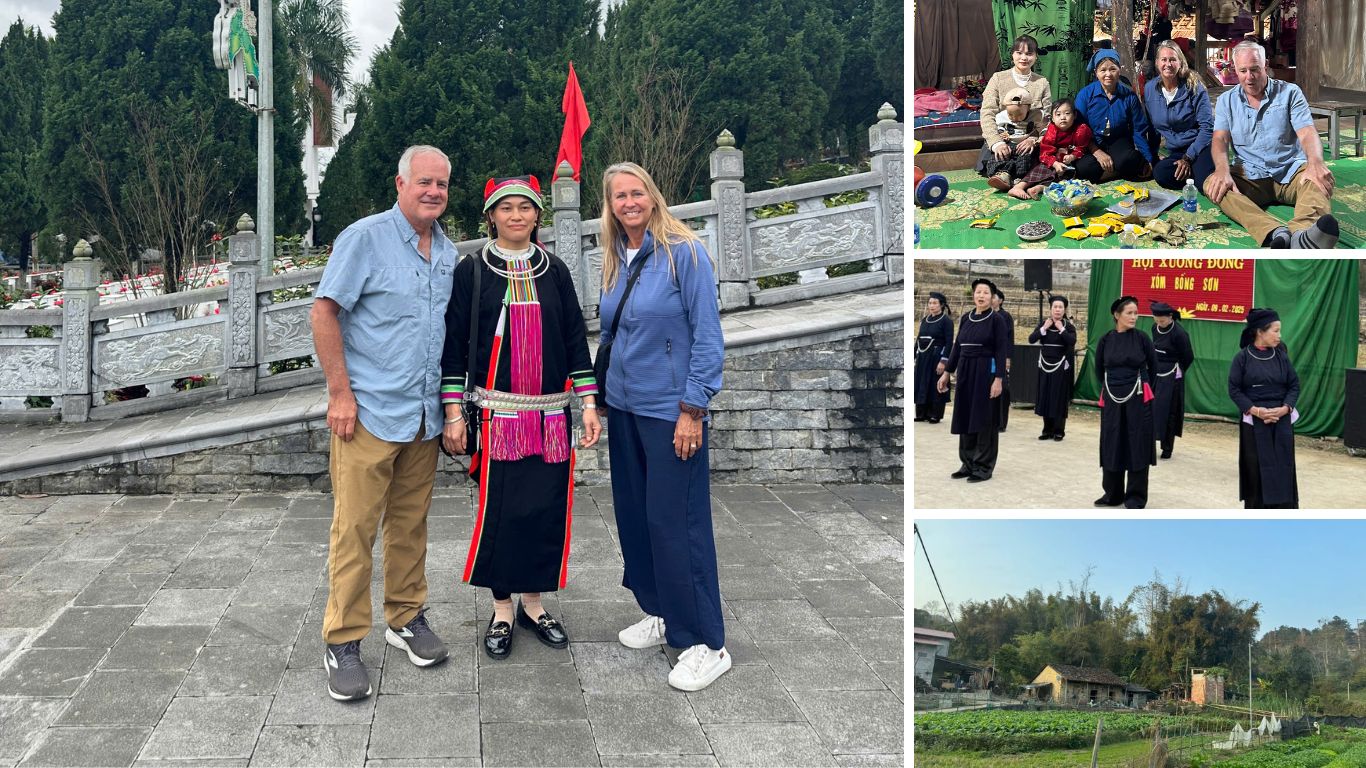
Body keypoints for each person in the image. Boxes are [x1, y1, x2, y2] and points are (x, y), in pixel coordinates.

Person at [311, 145, 455, 701]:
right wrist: (339, 393)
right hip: (368, 413)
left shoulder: (445, 254)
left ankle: (406, 617)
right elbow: (324, 311)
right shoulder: (364, 238)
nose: (433, 192)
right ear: (400, 183)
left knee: (410, 525)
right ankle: (343, 639)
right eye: (424, 182)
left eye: (441, 184)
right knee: (354, 530)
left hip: (422, 419)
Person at [440, 175, 602, 660]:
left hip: (551, 416)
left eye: (525, 208)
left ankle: (535, 603)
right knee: (502, 511)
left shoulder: (555, 270)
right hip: (496, 417)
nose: (516, 216)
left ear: (537, 216)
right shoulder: (472, 273)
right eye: (505, 208)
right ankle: (503, 607)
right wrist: (453, 412)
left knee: (546, 509)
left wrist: (589, 403)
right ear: (490, 216)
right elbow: (454, 347)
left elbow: (574, 338)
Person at [597, 162, 729, 692]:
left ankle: (704, 641)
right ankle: (659, 611)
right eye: (619, 196)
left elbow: (707, 334)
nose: (629, 202)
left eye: (637, 193)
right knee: (637, 519)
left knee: (679, 525)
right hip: (624, 409)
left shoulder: (684, 253)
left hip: (671, 412)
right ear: (609, 205)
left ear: (652, 196)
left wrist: (693, 409)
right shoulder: (613, 256)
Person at [1204, 40, 1339, 249]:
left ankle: (1302, 236)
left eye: (1255, 69)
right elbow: (1220, 139)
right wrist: (1222, 170)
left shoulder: (1290, 92)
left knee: (1317, 178)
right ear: (1235, 70)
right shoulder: (1226, 101)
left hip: (1291, 171)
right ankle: (1274, 232)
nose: (1249, 77)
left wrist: (1315, 161)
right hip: (1250, 176)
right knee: (1213, 184)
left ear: (1265, 65)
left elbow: (1307, 132)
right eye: (1243, 71)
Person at [937, 278, 1009, 483]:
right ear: (973, 294)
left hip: (985, 370)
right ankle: (967, 463)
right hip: (966, 370)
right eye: (978, 292)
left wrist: (998, 379)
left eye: (986, 292)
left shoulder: (997, 320)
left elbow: (1001, 351)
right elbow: (958, 346)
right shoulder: (967, 318)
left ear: (992, 297)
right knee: (966, 414)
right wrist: (947, 372)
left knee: (984, 418)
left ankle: (983, 466)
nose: (981, 296)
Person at [1228, 308, 1300, 508]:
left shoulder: (1282, 356)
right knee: (1257, 466)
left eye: (1279, 331)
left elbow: (1294, 385)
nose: (1279, 336)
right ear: (1260, 331)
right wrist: (1256, 410)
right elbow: (1234, 389)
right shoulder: (1242, 358)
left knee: (1283, 464)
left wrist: (1285, 408)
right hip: (1255, 421)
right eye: (1275, 331)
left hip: (1281, 419)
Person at [1094, 296, 1158, 508]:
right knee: (1112, 441)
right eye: (1129, 313)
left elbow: (1153, 368)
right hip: (1113, 396)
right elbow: (1098, 370)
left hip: (1138, 396)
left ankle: (1136, 496)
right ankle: (1112, 494)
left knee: (1137, 442)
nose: (1134, 317)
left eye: (1136, 313)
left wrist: (1143, 386)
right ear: (1117, 315)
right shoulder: (1105, 340)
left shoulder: (1142, 339)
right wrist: (1111, 386)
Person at [976, 35, 1052, 191]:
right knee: (997, 157)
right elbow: (987, 112)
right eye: (1019, 52)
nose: (1024, 57)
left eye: (1029, 53)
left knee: (1035, 159)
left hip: (1028, 140)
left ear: (1036, 56)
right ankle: (1007, 176)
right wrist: (996, 142)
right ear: (1012, 55)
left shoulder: (1042, 82)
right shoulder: (998, 79)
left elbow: (1047, 117)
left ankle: (1015, 178)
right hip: (1004, 136)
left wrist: (1033, 139)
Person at [1143, 40, 1216, 192]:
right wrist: (1153, 158)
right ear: (1157, 63)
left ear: (1180, 62)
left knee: (1205, 184)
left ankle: (1203, 171)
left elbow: (1207, 128)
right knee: (1160, 173)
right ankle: (1198, 173)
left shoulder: (1194, 86)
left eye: (1172, 60)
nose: (1168, 64)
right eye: (1164, 60)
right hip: (1177, 150)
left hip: (1201, 145)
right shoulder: (1150, 89)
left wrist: (1188, 158)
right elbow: (1153, 128)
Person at [1074, 49, 1155, 183]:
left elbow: (1138, 129)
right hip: (1093, 142)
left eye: (1113, 69)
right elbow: (1079, 128)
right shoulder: (1085, 95)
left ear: (1119, 70)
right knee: (1084, 169)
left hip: (1119, 140)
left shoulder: (1129, 96)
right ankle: (1114, 169)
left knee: (1130, 161)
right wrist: (1097, 152)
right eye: (1103, 70)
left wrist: (1148, 159)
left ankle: (1112, 168)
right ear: (1096, 73)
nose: (1108, 74)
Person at [1016, 99, 1094, 199]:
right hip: (1049, 161)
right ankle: (1019, 186)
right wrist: (1055, 163)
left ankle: (1038, 188)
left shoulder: (1080, 130)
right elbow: (1044, 153)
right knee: (1042, 171)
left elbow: (1081, 148)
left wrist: (1072, 156)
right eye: (1058, 114)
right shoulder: (1052, 132)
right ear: (1052, 118)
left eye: (1067, 113)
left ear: (1074, 115)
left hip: (1067, 164)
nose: (1063, 117)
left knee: (1066, 179)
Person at [1148, 301, 1194, 460]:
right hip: (1156, 371)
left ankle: (1167, 447)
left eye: (1163, 320)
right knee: (1152, 408)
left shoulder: (1179, 334)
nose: (1159, 323)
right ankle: (1149, 443)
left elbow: (1188, 357)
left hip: (1173, 374)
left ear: (1170, 317)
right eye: (1156, 319)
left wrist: (1177, 370)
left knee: (1169, 411)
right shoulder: (1154, 328)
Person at [1028, 296, 1077, 441]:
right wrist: (1044, 328)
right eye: (1055, 307)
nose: (1057, 310)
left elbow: (1072, 341)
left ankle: (1058, 430)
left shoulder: (1068, 326)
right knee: (1046, 395)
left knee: (1058, 397)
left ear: (1064, 310)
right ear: (1050, 309)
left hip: (1060, 365)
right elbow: (1031, 339)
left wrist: (1061, 329)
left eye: (1060, 307)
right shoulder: (1044, 324)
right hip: (1045, 364)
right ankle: (1047, 430)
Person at [982, 89, 1043, 193]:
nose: (1015, 118)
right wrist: (1001, 137)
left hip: (1025, 146)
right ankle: (1003, 175)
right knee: (999, 156)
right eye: (1010, 115)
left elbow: (1045, 131)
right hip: (1008, 144)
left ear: (1028, 108)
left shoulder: (1037, 115)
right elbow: (997, 128)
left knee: (1026, 158)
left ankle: (1019, 179)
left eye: (1019, 115)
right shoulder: (1001, 116)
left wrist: (1034, 140)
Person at [914, 292, 953, 424]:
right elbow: (919, 338)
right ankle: (921, 413)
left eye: (935, 303)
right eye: (930, 303)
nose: (932, 305)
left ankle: (935, 414)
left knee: (935, 384)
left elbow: (949, 343)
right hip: (923, 356)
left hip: (937, 356)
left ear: (942, 305)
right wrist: (913, 354)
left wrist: (944, 361)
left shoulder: (946, 321)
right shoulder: (925, 320)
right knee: (921, 383)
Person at [991, 287, 1014, 433]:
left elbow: (1009, 339)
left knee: (1002, 389)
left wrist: (1007, 357)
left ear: (1000, 301)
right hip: (987, 357)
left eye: (994, 297)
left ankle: (1001, 422)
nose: (991, 299)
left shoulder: (1005, 316)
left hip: (1001, 356)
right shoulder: (984, 315)